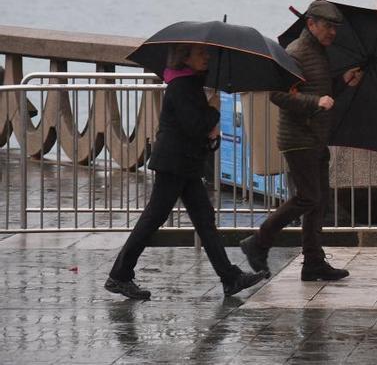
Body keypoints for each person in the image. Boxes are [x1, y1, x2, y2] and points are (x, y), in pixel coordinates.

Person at [105, 43, 266, 300]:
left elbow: (198, 130)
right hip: (174, 164)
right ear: (185, 57)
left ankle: (230, 278)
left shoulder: (191, 84)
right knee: (153, 219)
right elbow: (194, 125)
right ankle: (119, 275)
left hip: (186, 164)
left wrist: (211, 131)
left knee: (204, 221)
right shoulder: (182, 86)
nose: (207, 58)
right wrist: (213, 110)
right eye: (201, 53)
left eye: (208, 54)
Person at [239, 0, 362, 281]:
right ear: (311, 24)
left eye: (336, 28)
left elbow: (323, 95)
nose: (333, 33)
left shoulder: (320, 53)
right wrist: (315, 101)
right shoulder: (296, 53)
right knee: (308, 197)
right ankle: (258, 242)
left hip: (316, 136)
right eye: (328, 26)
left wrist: (343, 82)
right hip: (298, 138)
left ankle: (313, 262)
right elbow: (278, 95)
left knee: (318, 202)